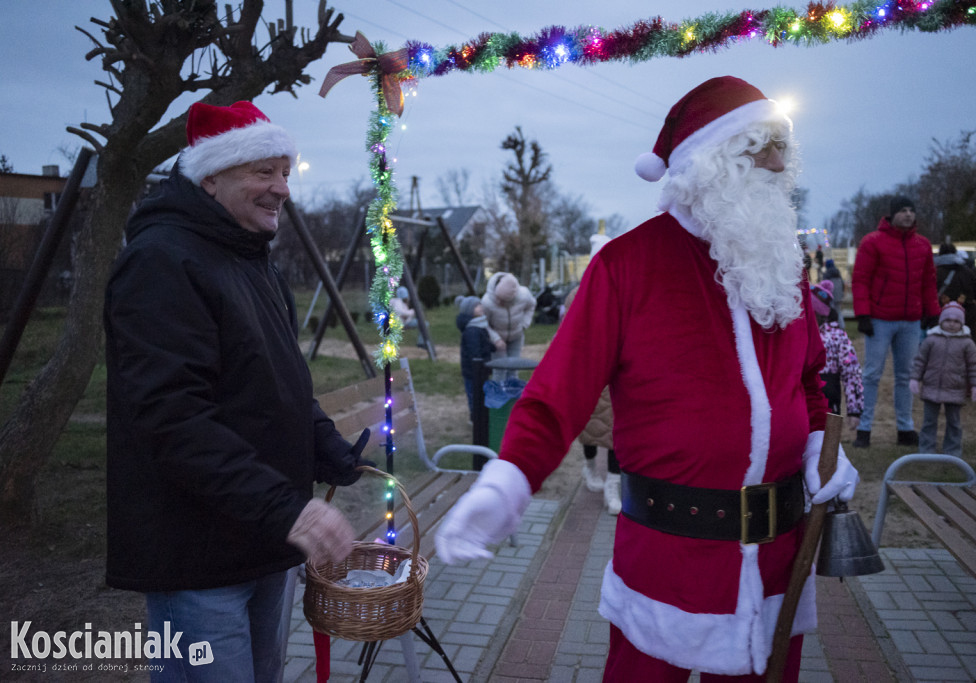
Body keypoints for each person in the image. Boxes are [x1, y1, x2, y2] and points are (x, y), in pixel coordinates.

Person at [435, 76, 859, 681]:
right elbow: (559, 392)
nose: (777, 161)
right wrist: (508, 482)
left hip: (776, 557)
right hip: (667, 556)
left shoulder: (781, 266)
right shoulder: (626, 265)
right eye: (759, 145)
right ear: (709, 162)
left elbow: (810, 382)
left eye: (781, 146)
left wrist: (820, 441)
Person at [104, 100, 373, 682]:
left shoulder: (253, 261)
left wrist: (324, 443)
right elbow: (173, 420)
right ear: (210, 175)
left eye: (285, 172)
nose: (283, 189)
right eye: (264, 172)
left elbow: (275, 381)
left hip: (264, 540)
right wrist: (286, 508)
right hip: (198, 556)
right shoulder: (161, 262)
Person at [851, 196, 941, 448]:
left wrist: (933, 311)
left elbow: (928, 282)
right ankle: (864, 429)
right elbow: (861, 279)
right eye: (903, 210)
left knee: (906, 376)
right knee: (871, 374)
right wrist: (863, 314)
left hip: (910, 321)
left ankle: (905, 428)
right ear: (891, 215)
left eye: (912, 210)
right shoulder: (872, 242)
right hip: (880, 320)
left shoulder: (922, 245)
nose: (908, 214)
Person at [563, 233, 622, 516]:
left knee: (615, 433)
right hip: (588, 373)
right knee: (589, 429)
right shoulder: (576, 295)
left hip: (617, 373)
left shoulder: (624, 288)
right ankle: (589, 467)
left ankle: (613, 487)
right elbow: (567, 334)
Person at [910, 302, 976, 457]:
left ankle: (952, 450)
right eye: (948, 320)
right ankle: (926, 449)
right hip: (931, 387)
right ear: (941, 321)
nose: (951, 324)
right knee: (929, 422)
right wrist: (915, 378)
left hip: (955, 389)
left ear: (962, 323)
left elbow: (974, 366)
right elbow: (920, 361)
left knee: (954, 423)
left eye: (956, 321)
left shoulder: (967, 343)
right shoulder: (931, 340)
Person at [810, 281, 863, 437]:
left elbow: (852, 372)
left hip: (828, 400)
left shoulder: (837, 337)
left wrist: (854, 410)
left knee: (828, 445)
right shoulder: (797, 335)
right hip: (800, 401)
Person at [933, 242, 976, 345]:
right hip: (966, 314)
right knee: (965, 347)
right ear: (955, 253)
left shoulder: (934, 272)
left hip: (941, 314)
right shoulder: (966, 271)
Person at [482, 271, 536, 379]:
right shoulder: (486, 302)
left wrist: (524, 324)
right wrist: (496, 339)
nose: (500, 302)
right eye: (499, 299)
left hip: (516, 336)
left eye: (504, 301)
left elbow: (531, 306)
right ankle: (498, 394)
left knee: (513, 367)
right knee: (499, 369)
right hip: (497, 339)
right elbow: (483, 323)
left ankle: (512, 393)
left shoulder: (524, 294)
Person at [456, 295, 497, 415]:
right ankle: (475, 417)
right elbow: (475, 350)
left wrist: (492, 347)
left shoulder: (479, 325)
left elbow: (483, 344)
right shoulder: (472, 329)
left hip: (481, 368)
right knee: (474, 393)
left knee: (480, 392)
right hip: (473, 369)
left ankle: (480, 414)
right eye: (477, 306)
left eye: (480, 305)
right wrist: (480, 363)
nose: (481, 307)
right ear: (469, 310)